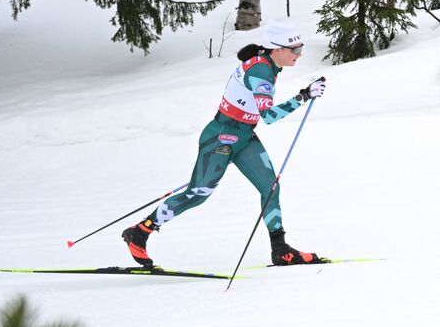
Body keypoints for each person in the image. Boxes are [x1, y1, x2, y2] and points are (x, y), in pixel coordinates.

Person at [123, 21, 328, 268]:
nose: (299, 54)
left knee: (270, 187)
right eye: (295, 49)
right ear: (277, 49)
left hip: (244, 137)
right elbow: (269, 116)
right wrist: (304, 96)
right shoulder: (261, 71)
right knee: (198, 194)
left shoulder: (268, 64)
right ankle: (140, 231)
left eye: (300, 48)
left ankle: (280, 249)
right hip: (222, 136)